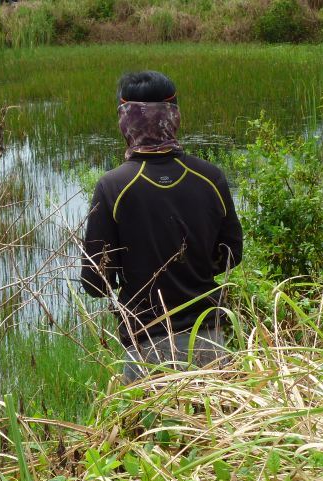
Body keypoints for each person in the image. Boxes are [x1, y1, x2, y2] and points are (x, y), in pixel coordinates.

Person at [80, 70, 243, 382]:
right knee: (214, 430)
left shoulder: (113, 187)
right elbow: (231, 255)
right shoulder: (210, 177)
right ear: (174, 115)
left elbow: (94, 284)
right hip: (209, 342)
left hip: (146, 352)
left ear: (125, 120)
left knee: (151, 432)